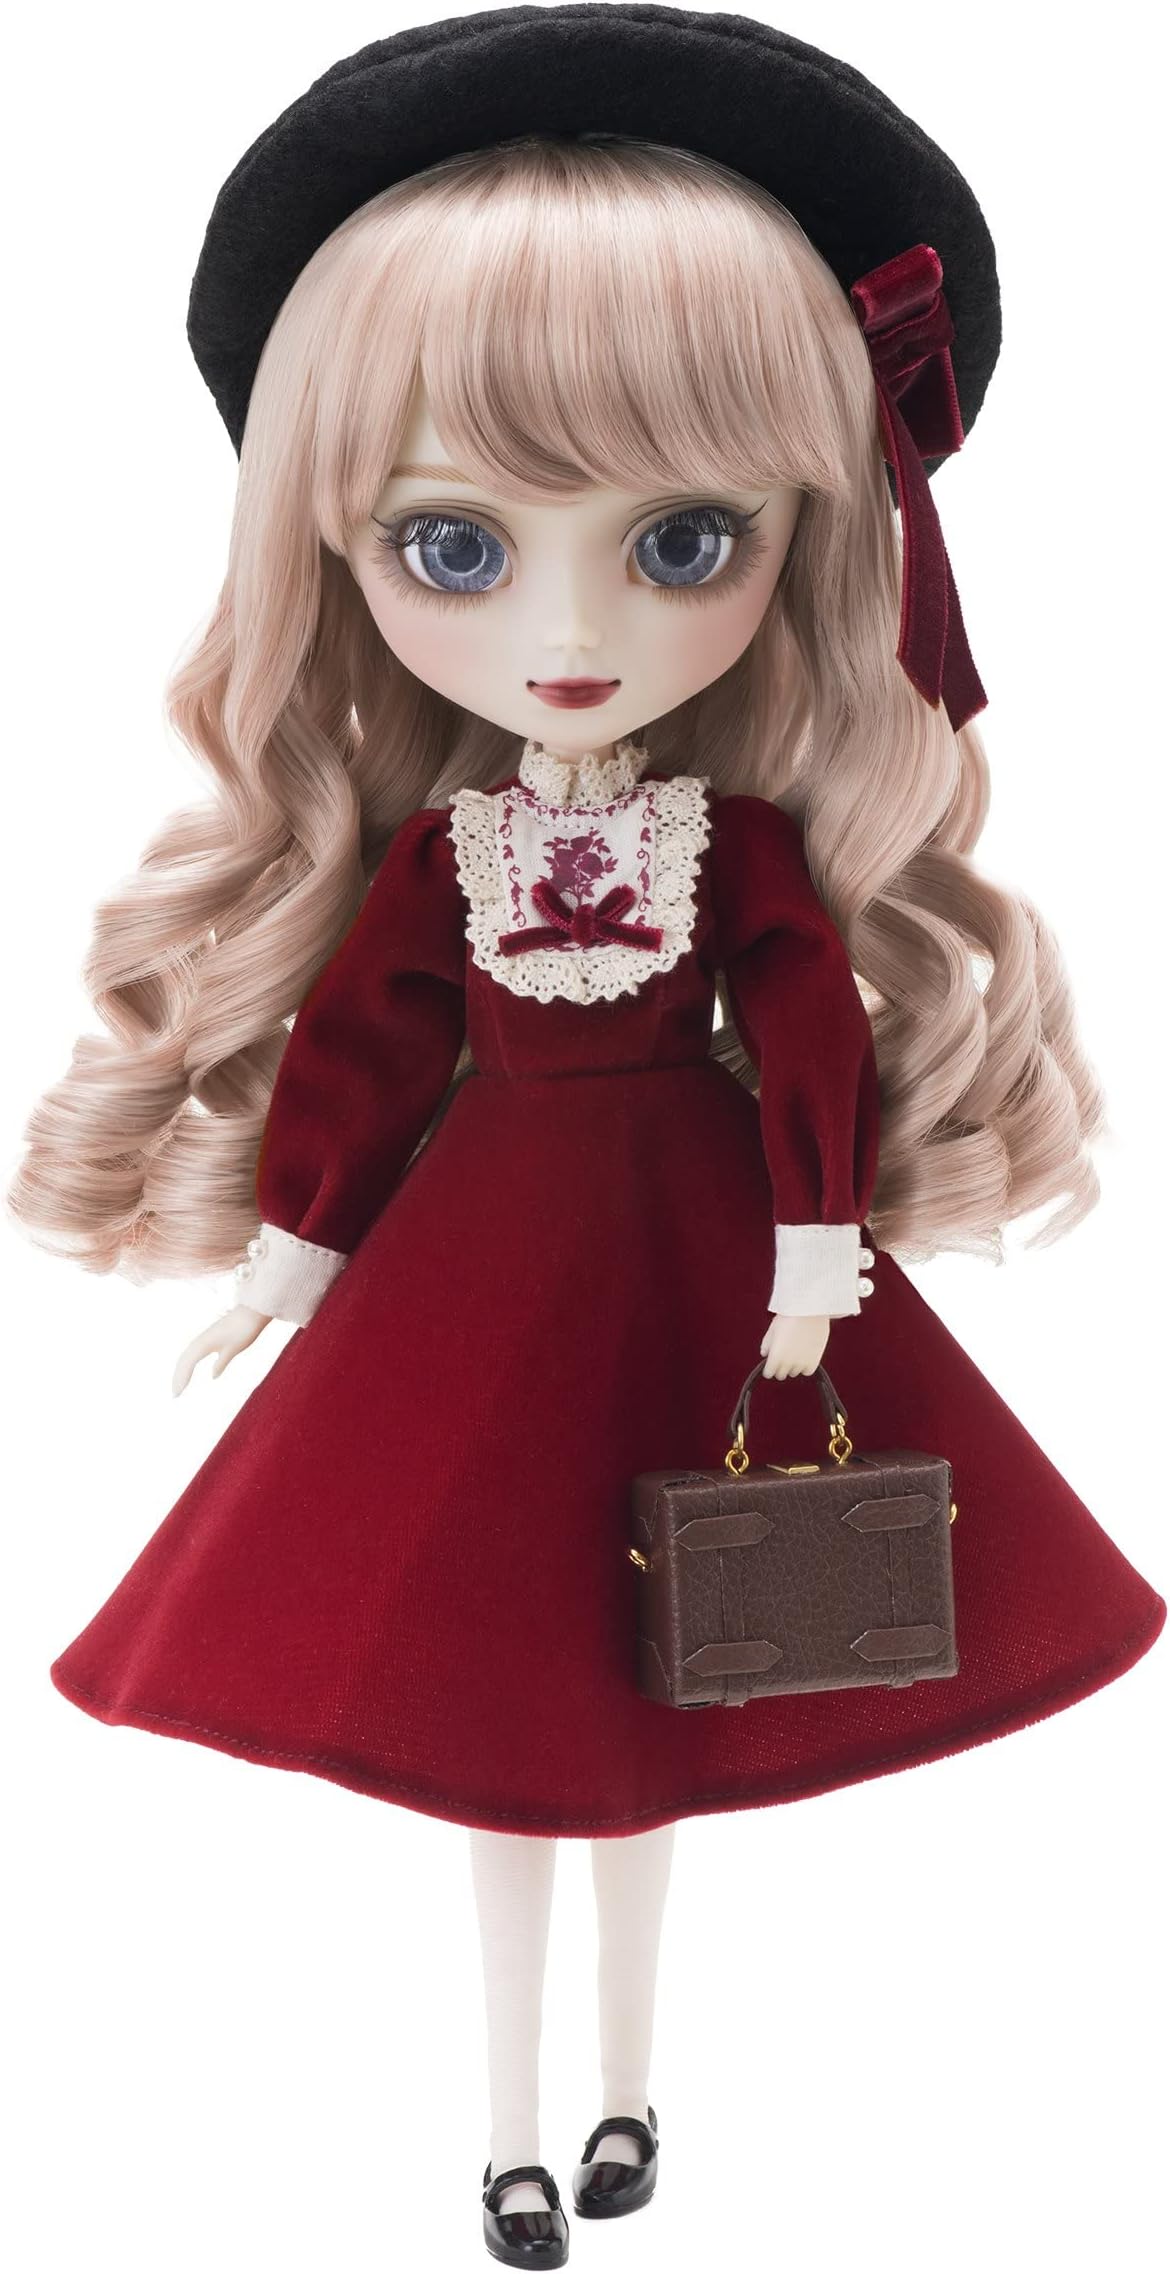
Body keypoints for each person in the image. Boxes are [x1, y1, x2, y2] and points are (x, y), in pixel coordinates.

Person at [9, 12, 1164, 2265]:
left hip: (698, 1261)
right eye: (452, 542)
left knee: (667, 1726)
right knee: (501, 1735)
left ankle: (630, 2103)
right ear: (332, 541)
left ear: (803, 539)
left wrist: (818, 1239)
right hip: (479, 1277)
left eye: (682, 538)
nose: (566, 631)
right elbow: (362, 1054)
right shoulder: (444, 861)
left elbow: (808, 1031)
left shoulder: (737, 851)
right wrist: (290, 1258)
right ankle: (509, 2135)